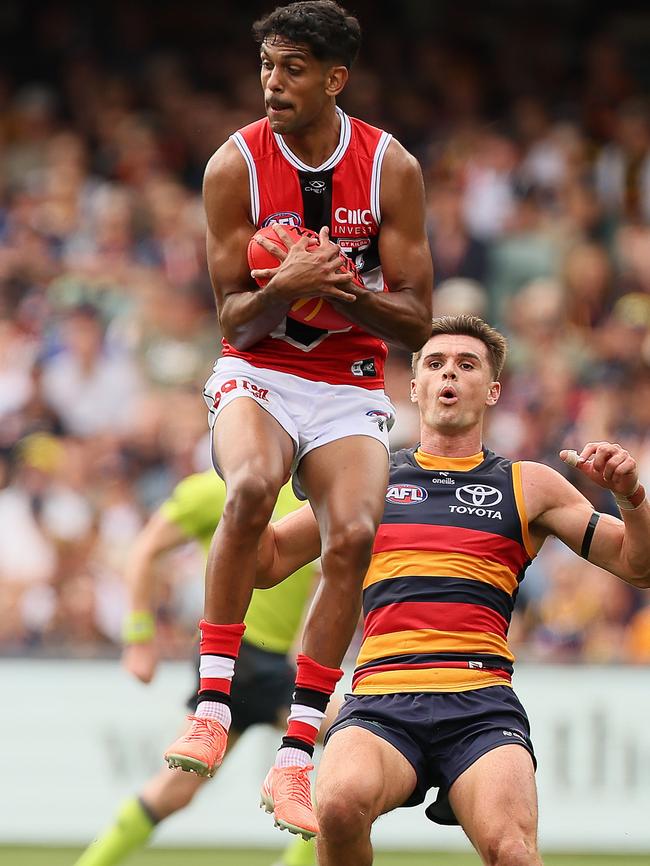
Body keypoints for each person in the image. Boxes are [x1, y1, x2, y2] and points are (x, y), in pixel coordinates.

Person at [164, 0, 433, 841]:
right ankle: (210, 706)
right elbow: (233, 322)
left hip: (348, 380)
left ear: (334, 78)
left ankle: (295, 755)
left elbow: (421, 318)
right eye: (267, 69)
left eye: (292, 70)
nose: (272, 85)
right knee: (249, 485)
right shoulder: (231, 165)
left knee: (354, 531)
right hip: (262, 370)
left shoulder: (391, 167)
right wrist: (288, 287)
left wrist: (343, 288)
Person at [255, 314, 650, 866]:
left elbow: (640, 567)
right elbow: (266, 561)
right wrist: (253, 478)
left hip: (481, 705)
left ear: (492, 391)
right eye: (435, 364)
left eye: (467, 365)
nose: (449, 375)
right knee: (338, 807)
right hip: (381, 701)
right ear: (413, 386)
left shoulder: (528, 484)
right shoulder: (367, 479)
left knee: (514, 853)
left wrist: (631, 497)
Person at [74, 470, 322, 866]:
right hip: (237, 657)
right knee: (353, 738)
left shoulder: (315, 494)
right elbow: (146, 549)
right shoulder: (218, 488)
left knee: (175, 790)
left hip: (269, 664)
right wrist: (139, 637)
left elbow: (311, 583)